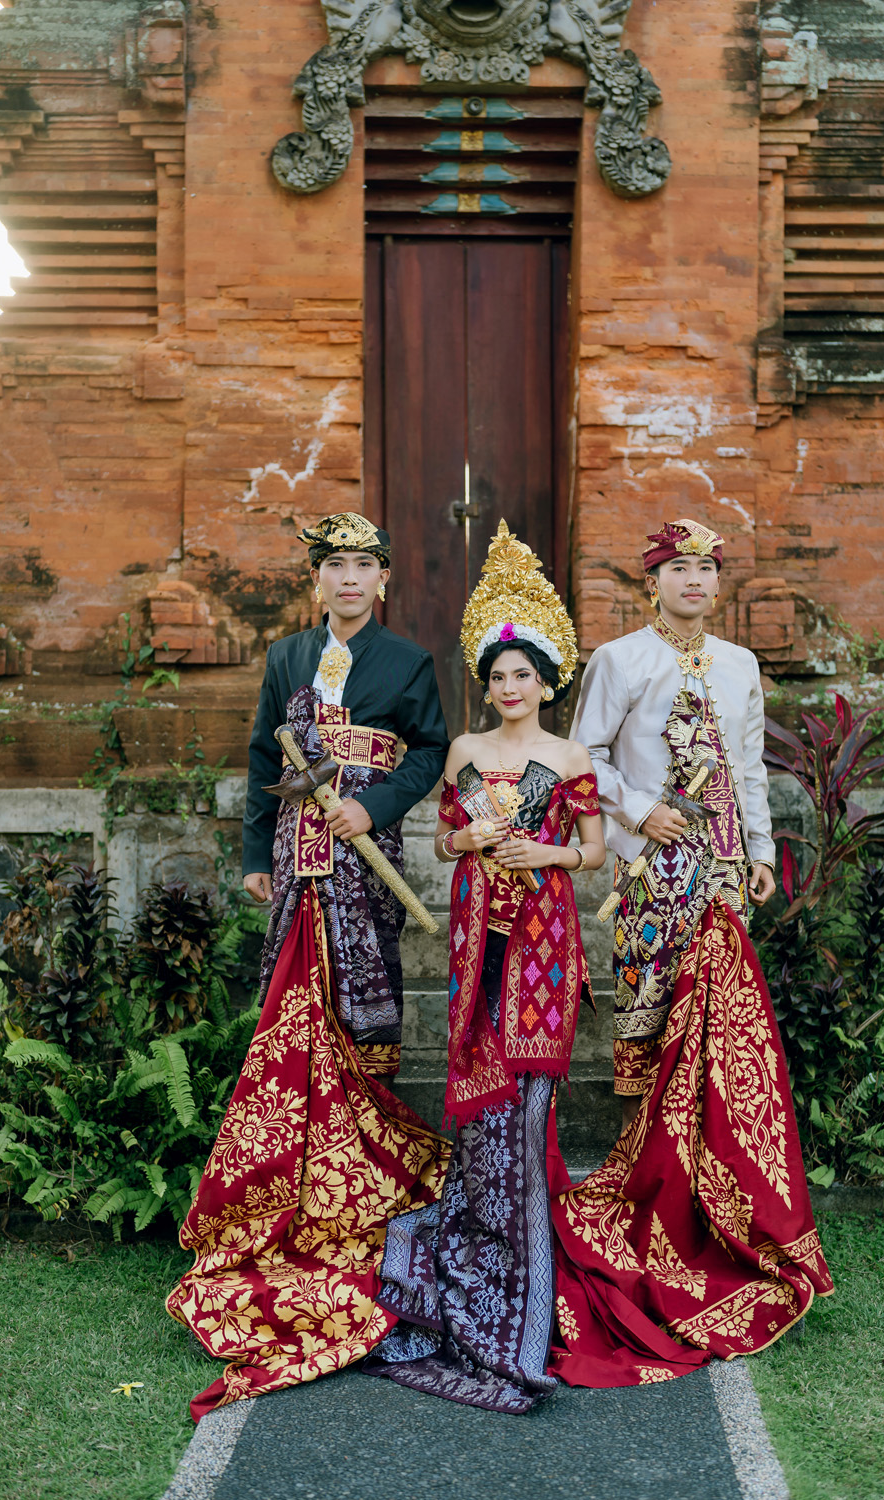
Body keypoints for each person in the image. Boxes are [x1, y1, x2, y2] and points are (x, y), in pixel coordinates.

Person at [167, 513, 451, 1418]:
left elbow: (433, 751)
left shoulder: (407, 662)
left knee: (364, 1014)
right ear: (317, 578)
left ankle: (363, 1192)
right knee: (293, 1011)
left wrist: (377, 807)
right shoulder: (287, 658)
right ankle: (288, 1185)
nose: (350, 578)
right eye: (336, 565)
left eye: (365, 564)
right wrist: (258, 852)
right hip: (298, 858)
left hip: (365, 857)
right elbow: (264, 752)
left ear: (384, 579)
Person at [548, 517, 833, 1389]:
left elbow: (747, 768)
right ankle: (654, 1204)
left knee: (718, 1042)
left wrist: (759, 852)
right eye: (680, 568)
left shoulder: (741, 665)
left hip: (720, 880)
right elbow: (583, 756)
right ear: (654, 582)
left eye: (707, 568)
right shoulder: (620, 660)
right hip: (650, 877)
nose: (696, 581)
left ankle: (718, 1209)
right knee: (649, 1037)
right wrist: (638, 812)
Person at [366, 519, 611, 1412]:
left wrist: (543, 854)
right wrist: (468, 840)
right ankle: (478, 1233)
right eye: (499, 676)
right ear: (487, 684)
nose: (511, 688)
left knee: (526, 1096)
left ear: (548, 681)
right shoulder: (466, 754)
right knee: (477, 1092)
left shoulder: (569, 757)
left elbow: (594, 852)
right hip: (477, 936)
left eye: (524, 675)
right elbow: (443, 838)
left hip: (543, 937)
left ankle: (525, 1262)